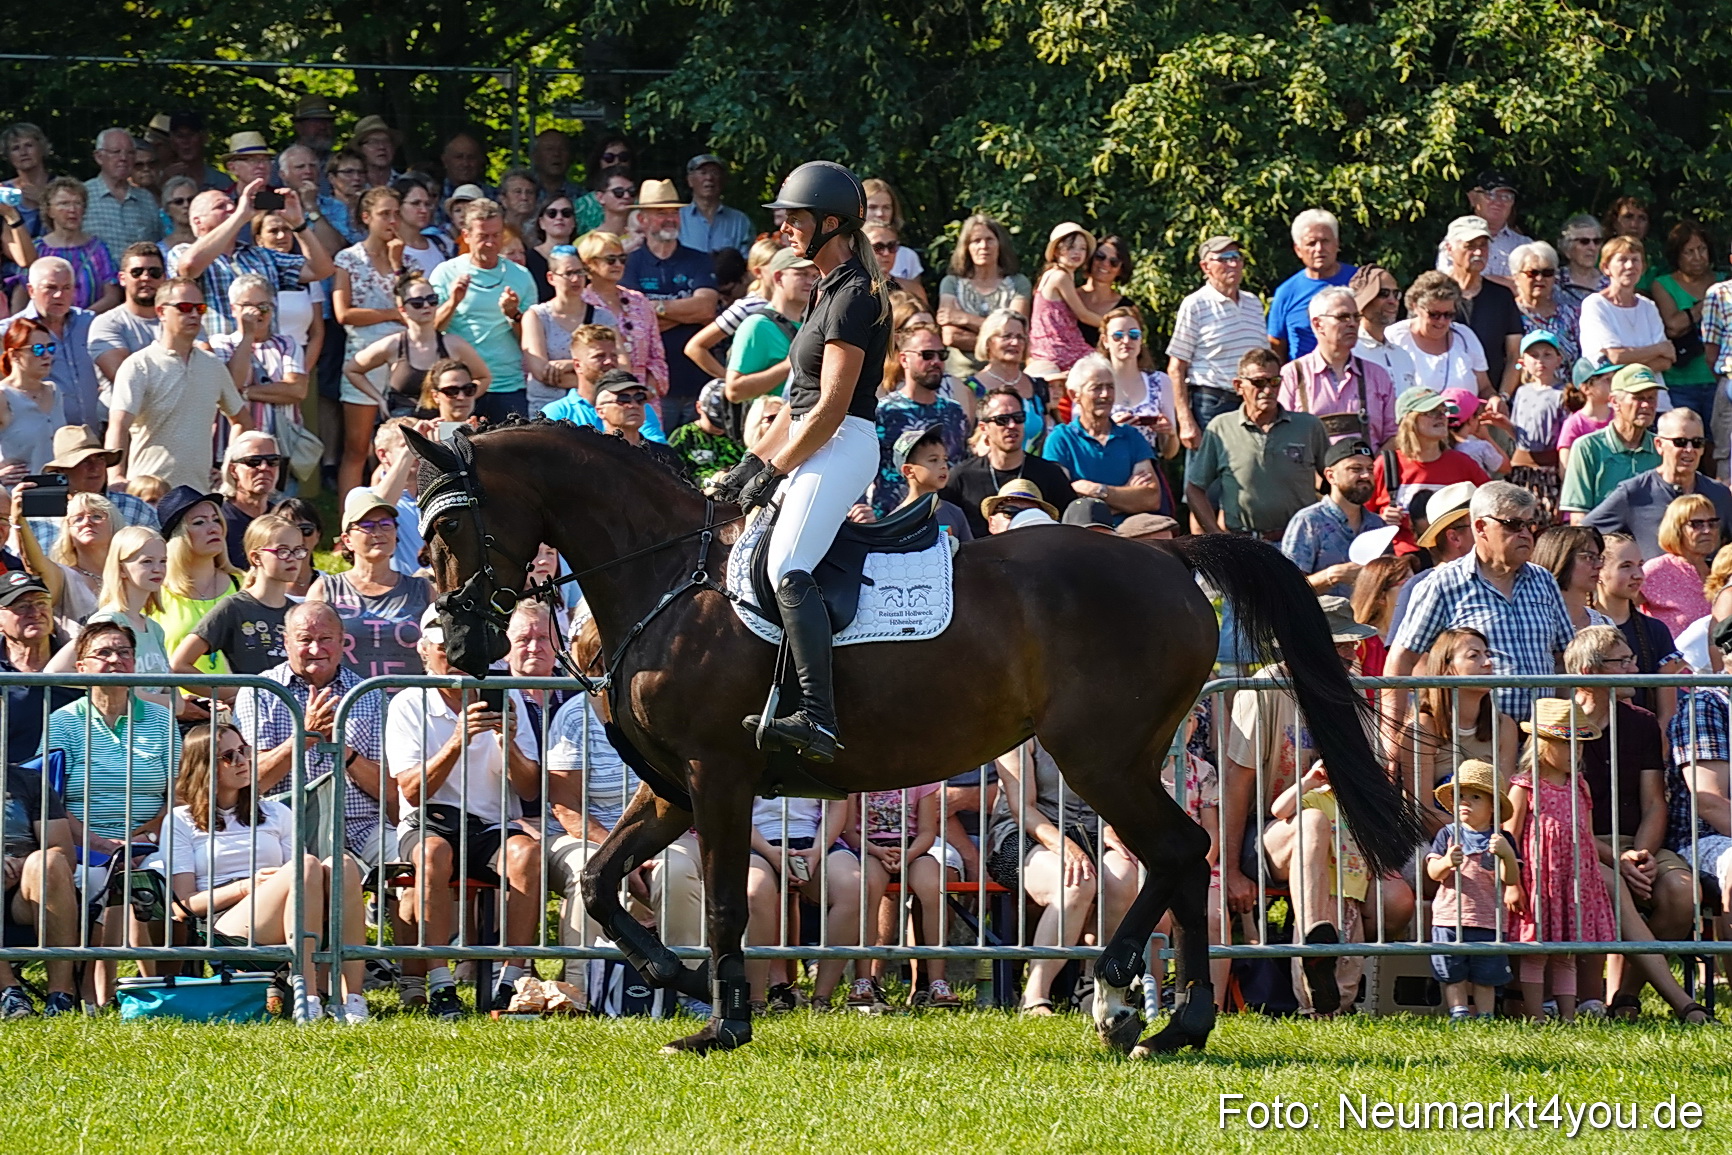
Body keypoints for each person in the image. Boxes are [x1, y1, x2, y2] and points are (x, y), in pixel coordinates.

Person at [701, 162, 890, 763]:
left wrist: (774, 472)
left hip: (844, 441)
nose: (783, 228)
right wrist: (746, 467)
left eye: (794, 219)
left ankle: (818, 717)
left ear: (829, 223)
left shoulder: (854, 293)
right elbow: (794, 404)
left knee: (787, 565)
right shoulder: (824, 289)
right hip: (816, 436)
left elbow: (831, 408)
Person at [1221, 595, 1415, 1015]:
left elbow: (1370, 784)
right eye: (1340, 643)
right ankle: (1315, 951)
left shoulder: (1353, 691)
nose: (1351, 652)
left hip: (1341, 833)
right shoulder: (1265, 688)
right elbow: (1237, 787)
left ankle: (1333, 984)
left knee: (1396, 900)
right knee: (1311, 823)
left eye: (1353, 642)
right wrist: (1231, 870)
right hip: (1270, 832)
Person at [158, 720, 368, 1023]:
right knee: (305, 864)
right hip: (226, 920)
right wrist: (246, 887)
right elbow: (183, 905)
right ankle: (307, 998)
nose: (242, 761)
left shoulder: (276, 812)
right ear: (203, 767)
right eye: (229, 756)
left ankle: (351, 1001)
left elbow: (302, 879)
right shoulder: (181, 820)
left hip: (288, 905)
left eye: (244, 750)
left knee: (342, 865)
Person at [387, 606, 540, 1018]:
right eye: (444, 649)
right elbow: (414, 792)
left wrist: (509, 745)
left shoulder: (504, 698)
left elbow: (528, 788)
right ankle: (440, 984)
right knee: (435, 854)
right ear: (423, 651)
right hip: (429, 822)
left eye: (460, 649)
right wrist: (456, 741)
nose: (454, 658)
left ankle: (512, 982)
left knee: (528, 855)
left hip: (490, 825)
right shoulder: (406, 702)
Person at [1385, 482, 1574, 722]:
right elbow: (1401, 660)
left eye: (1529, 525)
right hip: (1474, 740)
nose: (1525, 533)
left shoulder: (1543, 580)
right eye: (1514, 524)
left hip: (1540, 739)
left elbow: (1564, 657)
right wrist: (1393, 733)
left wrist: (1562, 724)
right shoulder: (1442, 584)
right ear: (1481, 527)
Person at [986, 737, 1139, 1015]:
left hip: (1091, 831)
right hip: (1022, 834)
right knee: (1075, 882)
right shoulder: (1020, 736)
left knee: (1125, 875)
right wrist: (1065, 846)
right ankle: (1034, 997)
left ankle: (1094, 987)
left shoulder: (1104, 726)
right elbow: (1024, 810)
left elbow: (1119, 790)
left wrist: (1112, 825)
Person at [232, 600, 387, 866]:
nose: (316, 649)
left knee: (416, 862)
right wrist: (304, 737)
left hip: (360, 827)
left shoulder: (369, 694)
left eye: (326, 638)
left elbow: (386, 787)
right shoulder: (259, 692)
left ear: (342, 641)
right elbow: (251, 782)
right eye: (305, 639)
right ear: (286, 642)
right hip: (280, 829)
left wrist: (344, 751)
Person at [1506, 698, 1617, 1023]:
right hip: (1539, 883)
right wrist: (1512, 883)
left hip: (1575, 882)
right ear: (1542, 744)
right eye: (1567, 744)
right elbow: (1508, 837)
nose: (1576, 753)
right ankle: (1537, 1014)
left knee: (1567, 952)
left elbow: (1588, 835)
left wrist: (1608, 867)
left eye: (1579, 746)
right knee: (1536, 952)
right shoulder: (1525, 786)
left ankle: (1568, 1016)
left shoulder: (1579, 786)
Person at [105, 277, 247, 491]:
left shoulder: (213, 365)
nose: (194, 314)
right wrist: (116, 476)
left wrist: (227, 468)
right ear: (161, 312)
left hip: (199, 496)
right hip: (149, 495)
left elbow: (242, 421)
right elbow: (118, 425)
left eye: (199, 308)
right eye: (184, 307)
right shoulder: (139, 364)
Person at [1185, 347, 1331, 538]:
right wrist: (1216, 535)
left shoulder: (1309, 426)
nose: (1268, 390)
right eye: (1259, 382)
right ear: (1238, 386)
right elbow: (1195, 488)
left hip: (1302, 541)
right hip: (1244, 544)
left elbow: (1334, 479)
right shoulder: (1220, 428)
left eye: (1275, 381)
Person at [1389, 627, 1520, 831]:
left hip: (1490, 841)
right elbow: (1422, 810)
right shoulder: (1422, 727)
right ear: (1448, 668)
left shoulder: (1505, 727)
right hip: (1435, 845)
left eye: (1487, 654)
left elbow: (1505, 802)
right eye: (1474, 656)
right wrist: (1470, 834)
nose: (1488, 663)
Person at [168, 180, 334, 338]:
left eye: (232, 204)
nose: (232, 208)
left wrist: (299, 224)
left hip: (266, 359)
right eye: (220, 206)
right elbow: (189, 267)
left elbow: (321, 270)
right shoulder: (182, 252)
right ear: (198, 222)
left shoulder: (262, 255)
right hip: (215, 360)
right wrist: (240, 216)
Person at [1425, 762, 1522, 1021]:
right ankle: (1458, 1013)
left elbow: (1510, 879)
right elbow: (1433, 872)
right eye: (1460, 796)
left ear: (1493, 807)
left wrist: (1507, 855)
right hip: (1449, 917)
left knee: (1486, 976)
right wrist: (1446, 861)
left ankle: (1486, 1015)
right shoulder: (1447, 834)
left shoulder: (1502, 838)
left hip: (1489, 920)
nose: (1465, 802)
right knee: (1451, 972)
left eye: (1475, 797)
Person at [621, 179, 721, 423]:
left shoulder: (699, 260)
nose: (670, 218)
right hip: (650, 384)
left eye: (674, 212)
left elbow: (707, 309)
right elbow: (630, 319)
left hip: (697, 378)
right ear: (642, 219)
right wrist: (686, 311)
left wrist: (654, 309)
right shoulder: (628, 263)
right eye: (660, 213)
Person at [308, 488, 433, 680]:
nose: (378, 532)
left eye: (386, 524)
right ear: (347, 540)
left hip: (409, 706)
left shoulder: (423, 590)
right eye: (367, 526)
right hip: (348, 704)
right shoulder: (325, 589)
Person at [429, 198, 536, 424]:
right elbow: (432, 330)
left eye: (496, 235)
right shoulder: (446, 273)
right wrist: (453, 301)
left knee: (512, 456)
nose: (490, 243)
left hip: (509, 385)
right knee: (457, 454)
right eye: (482, 237)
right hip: (461, 389)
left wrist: (514, 314)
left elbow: (530, 340)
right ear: (466, 235)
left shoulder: (521, 276)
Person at [1585, 406, 1731, 559]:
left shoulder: (1718, 494)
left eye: (1697, 442)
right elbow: (1585, 533)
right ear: (1659, 445)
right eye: (1680, 442)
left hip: (1708, 581)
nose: (1689, 449)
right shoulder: (1635, 492)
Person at [0, 747, 80, 1017]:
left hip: (24, 892)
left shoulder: (28, 781)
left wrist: (19, 866)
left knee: (50, 862)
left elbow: (63, 853)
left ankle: (60, 995)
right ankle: (8, 992)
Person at [170, 513, 301, 677]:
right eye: (282, 551)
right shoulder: (234, 607)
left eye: (298, 551)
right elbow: (179, 664)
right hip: (252, 703)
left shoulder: (298, 612)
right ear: (256, 557)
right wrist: (238, 693)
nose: (292, 558)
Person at [1166, 235, 1266, 449]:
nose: (1233, 264)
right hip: (1212, 404)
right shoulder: (1195, 304)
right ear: (1205, 266)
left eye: (1236, 257)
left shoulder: (1253, 303)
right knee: (1208, 478)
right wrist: (1185, 421)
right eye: (1223, 258)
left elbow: (1264, 359)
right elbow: (1176, 367)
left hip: (1253, 402)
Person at [1042, 354, 1169, 523]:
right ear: (1074, 395)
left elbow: (1151, 499)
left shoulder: (1131, 436)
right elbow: (1062, 503)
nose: (1105, 394)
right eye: (1096, 388)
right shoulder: (1061, 439)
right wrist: (1126, 496)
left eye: (1110, 387)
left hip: (1130, 532)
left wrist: (1097, 490)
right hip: (1081, 534)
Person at [940, 386, 1073, 538]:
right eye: (1002, 420)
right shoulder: (961, 477)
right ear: (984, 428)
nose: (1012, 425)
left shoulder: (1050, 475)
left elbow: (1070, 526)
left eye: (1018, 417)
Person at [208, 276, 309, 469]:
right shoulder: (220, 343)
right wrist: (248, 336)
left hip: (279, 451)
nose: (256, 313)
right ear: (233, 309)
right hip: (230, 449)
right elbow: (230, 384)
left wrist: (245, 393)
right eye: (247, 306)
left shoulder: (287, 344)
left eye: (263, 306)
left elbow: (296, 390)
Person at [1367, 386, 1491, 543]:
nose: (1442, 417)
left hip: (1452, 560)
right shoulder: (1387, 464)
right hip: (1402, 559)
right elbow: (1360, 516)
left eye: (1444, 411)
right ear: (1409, 421)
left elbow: (1490, 506)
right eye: (1431, 412)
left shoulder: (1463, 463)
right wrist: (1380, 519)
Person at [1277, 286, 1396, 448]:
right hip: (1309, 472)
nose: (1353, 324)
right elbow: (1281, 436)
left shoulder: (1377, 375)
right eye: (1343, 317)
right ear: (1318, 324)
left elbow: (1393, 436)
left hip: (1370, 471)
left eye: (1356, 317)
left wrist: (1370, 470)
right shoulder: (1293, 375)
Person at [1282, 439, 1402, 595]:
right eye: (1355, 469)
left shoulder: (1377, 524)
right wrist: (1331, 576)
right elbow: (1287, 588)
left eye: (1370, 469)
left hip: (1368, 619)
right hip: (1324, 618)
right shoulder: (1309, 521)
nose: (1366, 475)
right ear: (1331, 476)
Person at [871, 324, 967, 514]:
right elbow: (862, 468)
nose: (936, 361)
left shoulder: (954, 411)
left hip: (943, 518)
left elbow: (962, 466)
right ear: (904, 359)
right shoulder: (884, 411)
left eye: (942, 355)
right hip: (891, 521)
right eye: (927, 355)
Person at [149, 486, 241, 680]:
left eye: (216, 520)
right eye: (199, 522)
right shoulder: (153, 591)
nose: (214, 528)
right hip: (178, 705)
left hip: (239, 705)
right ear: (178, 536)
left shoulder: (244, 585)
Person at [27, 425, 158, 553]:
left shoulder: (136, 508)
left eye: (100, 459)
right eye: (85, 461)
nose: (95, 467)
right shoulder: (39, 517)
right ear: (62, 470)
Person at [1560, 364, 1662, 522]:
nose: (1646, 405)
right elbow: (1579, 517)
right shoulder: (1587, 448)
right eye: (1638, 398)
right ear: (1615, 402)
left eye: (1652, 398)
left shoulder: (1662, 448)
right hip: (1604, 542)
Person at [1598, 532, 1682, 723]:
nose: (1638, 575)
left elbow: (1667, 710)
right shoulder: (1582, 625)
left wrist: (1659, 740)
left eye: (1640, 565)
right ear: (1599, 571)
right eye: (1625, 566)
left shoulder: (1655, 630)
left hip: (1644, 740)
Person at [8, 257, 100, 430]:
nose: (59, 295)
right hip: (40, 445)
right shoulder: (9, 333)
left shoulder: (90, 323)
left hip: (92, 439)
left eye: (67, 288)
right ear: (31, 290)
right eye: (50, 288)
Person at [520, 246, 612, 415]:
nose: (576, 279)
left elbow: (620, 366)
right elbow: (542, 373)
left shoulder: (603, 317)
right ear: (551, 277)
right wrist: (593, 375)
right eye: (568, 273)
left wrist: (568, 365)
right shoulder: (536, 316)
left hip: (593, 407)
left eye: (580, 272)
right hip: (546, 409)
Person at [937, 213, 1030, 379]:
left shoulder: (1018, 283)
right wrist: (1000, 340)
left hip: (1006, 375)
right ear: (966, 246)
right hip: (961, 375)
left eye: (990, 239)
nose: (983, 246)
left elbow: (1017, 332)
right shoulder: (951, 283)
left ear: (1000, 244)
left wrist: (964, 319)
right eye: (976, 241)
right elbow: (951, 336)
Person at [579, 228, 667, 402]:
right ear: (589, 263)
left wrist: (647, 391)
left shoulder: (639, 301)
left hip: (643, 399)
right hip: (600, 398)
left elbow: (657, 356)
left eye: (622, 259)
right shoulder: (582, 303)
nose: (618, 264)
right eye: (610, 260)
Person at [723, 246, 816, 404]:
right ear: (778, 277)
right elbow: (734, 391)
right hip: (769, 425)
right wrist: (789, 365)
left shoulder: (813, 323)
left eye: (815, 275)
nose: (811, 282)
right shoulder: (757, 325)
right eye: (801, 274)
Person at [1441, 215, 1523, 393]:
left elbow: (1515, 357)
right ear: (1449, 249)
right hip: (1441, 404)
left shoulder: (1502, 297)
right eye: (1470, 246)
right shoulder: (1434, 294)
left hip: (1491, 404)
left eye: (1483, 245)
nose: (1478, 253)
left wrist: (1504, 397)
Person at [1579, 236, 1675, 386]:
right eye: (1622, 260)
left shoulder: (1648, 306)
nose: (1630, 266)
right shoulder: (1596, 305)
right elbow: (1614, 357)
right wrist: (1658, 349)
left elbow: (1666, 360)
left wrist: (1627, 365)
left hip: (1655, 398)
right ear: (1606, 268)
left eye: (1635, 260)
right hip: (1613, 399)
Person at [1651, 222, 1721, 420]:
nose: (1697, 257)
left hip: (1720, 377)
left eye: (1702, 249)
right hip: (1681, 381)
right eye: (1689, 252)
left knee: (1722, 444)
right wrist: (1708, 303)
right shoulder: (1663, 284)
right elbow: (1673, 325)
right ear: (1677, 255)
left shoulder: (1724, 280)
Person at [1268, 208, 1357, 361]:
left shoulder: (1359, 281)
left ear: (1337, 243)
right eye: (1311, 243)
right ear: (1298, 250)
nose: (1319, 249)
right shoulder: (1287, 292)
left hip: (1359, 375)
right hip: (1305, 379)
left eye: (1325, 241)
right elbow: (1276, 344)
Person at [1385, 272, 1492, 395]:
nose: (1441, 321)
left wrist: (1495, 400)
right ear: (1415, 307)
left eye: (1448, 315)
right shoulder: (1394, 337)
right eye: (1434, 314)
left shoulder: (1465, 336)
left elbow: (1485, 388)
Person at [1025, 222, 1101, 386]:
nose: (1077, 252)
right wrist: (1112, 325)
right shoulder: (1060, 276)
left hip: (1046, 345)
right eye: (1071, 247)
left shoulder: (1052, 274)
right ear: (1058, 250)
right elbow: (1084, 315)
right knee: (1103, 366)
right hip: (1058, 347)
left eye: (1082, 248)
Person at [1505, 330, 1570, 522]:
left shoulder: (1563, 393)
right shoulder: (1521, 392)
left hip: (1548, 470)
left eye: (1547, 355)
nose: (1540, 361)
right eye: (1534, 355)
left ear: (1558, 360)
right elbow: (1518, 436)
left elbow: (1566, 440)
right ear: (1523, 361)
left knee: (1545, 520)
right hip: (1521, 469)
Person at [1101, 305, 1178, 460]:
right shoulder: (1094, 382)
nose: (1126, 340)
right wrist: (1111, 428)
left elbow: (1169, 452)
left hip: (1146, 470)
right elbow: (1079, 438)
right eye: (1118, 336)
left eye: (1134, 334)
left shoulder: (1159, 382)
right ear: (1105, 341)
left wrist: (1169, 434)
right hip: (1104, 466)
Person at [35, 177, 121, 313]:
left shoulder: (98, 249)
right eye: (64, 204)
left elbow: (112, 296)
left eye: (78, 203)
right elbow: (24, 291)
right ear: (49, 211)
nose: (72, 209)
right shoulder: (38, 249)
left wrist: (81, 318)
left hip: (89, 325)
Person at [967, 309, 1050, 449]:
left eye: (1020, 337)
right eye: (1006, 336)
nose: (1015, 342)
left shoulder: (1038, 386)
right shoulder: (970, 388)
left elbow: (1046, 438)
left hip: (1034, 468)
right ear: (988, 342)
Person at [1639, 494, 1718, 638]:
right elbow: (1620, 606)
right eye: (1697, 524)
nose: (1707, 530)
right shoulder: (1658, 570)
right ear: (1676, 529)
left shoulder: (1720, 570)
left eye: (1712, 523)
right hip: (1674, 658)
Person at [86, 242, 165, 387]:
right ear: (122, 278)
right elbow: (125, 380)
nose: (146, 278)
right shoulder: (106, 323)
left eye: (154, 272)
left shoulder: (181, 316)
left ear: (164, 278)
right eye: (137, 272)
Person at [0, 317, 66, 476]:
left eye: (50, 348)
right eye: (37, 349)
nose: (46, 355)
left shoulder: (54, 391)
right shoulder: (3, 396)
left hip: (56, 492)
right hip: (17, 495)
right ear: (14, 355)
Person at [592, 370, 687, 478]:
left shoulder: (664, 454)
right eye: (623, 399)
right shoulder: (594, 456)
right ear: (600, 411)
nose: (634, 405)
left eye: (639, 398)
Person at [84, 127, 161, 259]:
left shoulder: (147, 199)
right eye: (116, 152)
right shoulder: (82, 195)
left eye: (130, 153)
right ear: (99, 157)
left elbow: (157, 244)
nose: (123, 158)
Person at [890, 424, 972, 540]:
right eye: (933, 460)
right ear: (908, 471)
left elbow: (969, 554)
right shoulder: (896, 520)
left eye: (945, 459)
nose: (943, 466)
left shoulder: (955, 513)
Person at [43, 491, 115, 621]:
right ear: (68, 533)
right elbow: (35, 564)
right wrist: (19, 524)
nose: (87, 522)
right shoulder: (63, 576)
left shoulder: (129, 573)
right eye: (78, 519)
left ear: (114, 525)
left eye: (97, 516)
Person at [1509, 240, 1581, 368]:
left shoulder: (1572, 314)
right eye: (1532, 273)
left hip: (1569, 387)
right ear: (1516, 277)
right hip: (1525, 386)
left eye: (1547, 273)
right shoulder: (1507, 314)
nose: (1539, 279)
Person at [1350, 267, 1417, 396]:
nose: (1392, 301)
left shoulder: (1403, 356)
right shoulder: (1350, 352)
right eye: (1383, 293)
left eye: (1396, 294)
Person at [1532, 523, 1611, 632]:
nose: (1599, 565)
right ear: (1560, 559)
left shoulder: (1604, 624)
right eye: (1589, 557)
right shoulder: (1532, 621)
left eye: (1598, 558)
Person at [679, 155, 753, 255]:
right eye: (703, 172)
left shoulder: (740, 221)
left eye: (715, 172)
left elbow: (748, 261)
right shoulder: (677, 219)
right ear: (690, 180)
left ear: (723, 180)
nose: (709, 177)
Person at [1558, 355, 1616, 475]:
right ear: (1586, 388)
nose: (1614, 384)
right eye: (1607, 380)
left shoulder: (1619, 417)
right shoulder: (1574, 424)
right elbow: (1566, 470)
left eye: (1614, 378)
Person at [523, 195, 577, 299]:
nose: (559, 217)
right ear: (541, 223)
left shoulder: (583, 258)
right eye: (552, 213)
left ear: (573, 222)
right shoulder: (527, 259)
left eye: (566, 213)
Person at [1557, 214, 1607, 304]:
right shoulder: (1553, 281)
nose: (1592, 247)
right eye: (1584, 241)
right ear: (1567, 247)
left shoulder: (1610, 283)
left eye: (1596, 241)